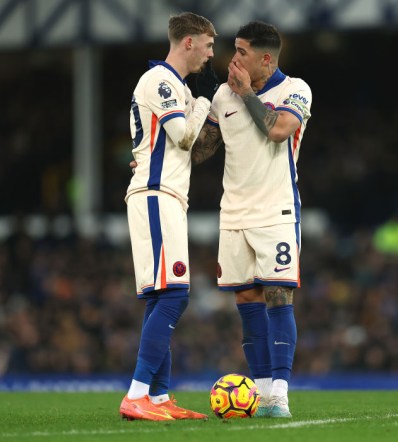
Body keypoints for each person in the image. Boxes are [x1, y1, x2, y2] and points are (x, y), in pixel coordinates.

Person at [131, 21, 312, 419]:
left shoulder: (294, 90)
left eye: (243, 53)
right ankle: (262, 391)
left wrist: (246, 93)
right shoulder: (222, 97)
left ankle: (279, 393)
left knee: (279, 296)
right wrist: (150, 154)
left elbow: (280, 130)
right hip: (232, 215)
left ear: (266, 58)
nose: (233, 59)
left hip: (277, 211)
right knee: (247, 300)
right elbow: (197, 151)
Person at [119, 11, 218, 422]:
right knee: (176, 295)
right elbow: (181, 136)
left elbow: (196, 150)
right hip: (157, 194)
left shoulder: (176, 87)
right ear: (189, 41)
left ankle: (159, 398)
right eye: (209, 44)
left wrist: (201, 106)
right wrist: (205, 102)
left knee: (162, 295)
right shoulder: (160, 81)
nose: (212, 54)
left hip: (167, 196)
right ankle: (137, 394)